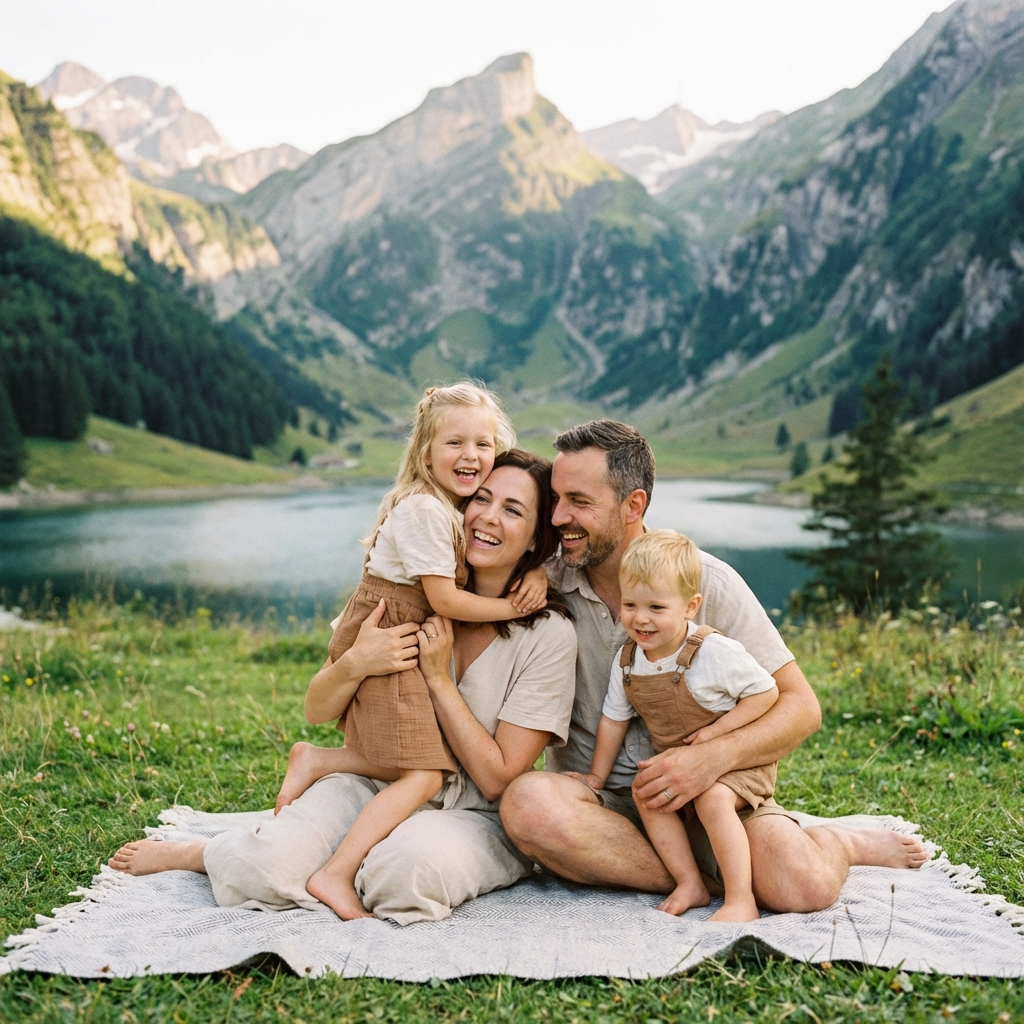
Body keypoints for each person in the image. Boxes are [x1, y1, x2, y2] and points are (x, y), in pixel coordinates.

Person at [109, 450, 578, 926]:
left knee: (403, 876)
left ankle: (348, 861)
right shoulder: (411, 593)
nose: (488, 517)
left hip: (474, 813)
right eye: (481, 498)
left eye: (513, 510)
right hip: (376, 782)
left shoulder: (548, 636)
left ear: (537, 539)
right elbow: (317, 708)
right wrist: (356, 662)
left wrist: (439, 680)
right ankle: (204, 851)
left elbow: (498, 778)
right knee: (257, 867)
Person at [500, 420, 929, 913]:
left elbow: (801, 707)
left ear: (633, 505)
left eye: (578, 501)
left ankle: (838, 844)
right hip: (600, 811)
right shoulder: (543, 587)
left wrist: (710, 759)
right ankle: (711, 882)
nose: (557, 517)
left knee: (803, 886)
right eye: (554, 499)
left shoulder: (708, 582)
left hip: (715, 799)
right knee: (528, 806)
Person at [274, 382, 547, 919]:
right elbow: (443, 597)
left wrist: (537, 567)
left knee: (409, 754)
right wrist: (515, 610)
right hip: (394, 630)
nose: (471, 456)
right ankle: (335, 874)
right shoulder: (425, 511)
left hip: (403, 627)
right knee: (424, 772)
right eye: (455, 444)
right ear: (425, 453)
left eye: (483, 444)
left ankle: (319, 760)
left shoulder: (451, 506)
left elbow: (529, 537)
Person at [571, 530, 781, 922]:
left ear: (690, 607)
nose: (640, 618)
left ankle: (741, 900)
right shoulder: (628, 661)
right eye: (630, 604)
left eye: (656, 607)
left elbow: (766, 694)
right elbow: (613, 720)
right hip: (683, 768)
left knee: (712, 799)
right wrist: (596, 777)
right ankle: (691, 883)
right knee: (647, 793)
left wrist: (716, 737)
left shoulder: (714, 652)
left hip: (736, 766)